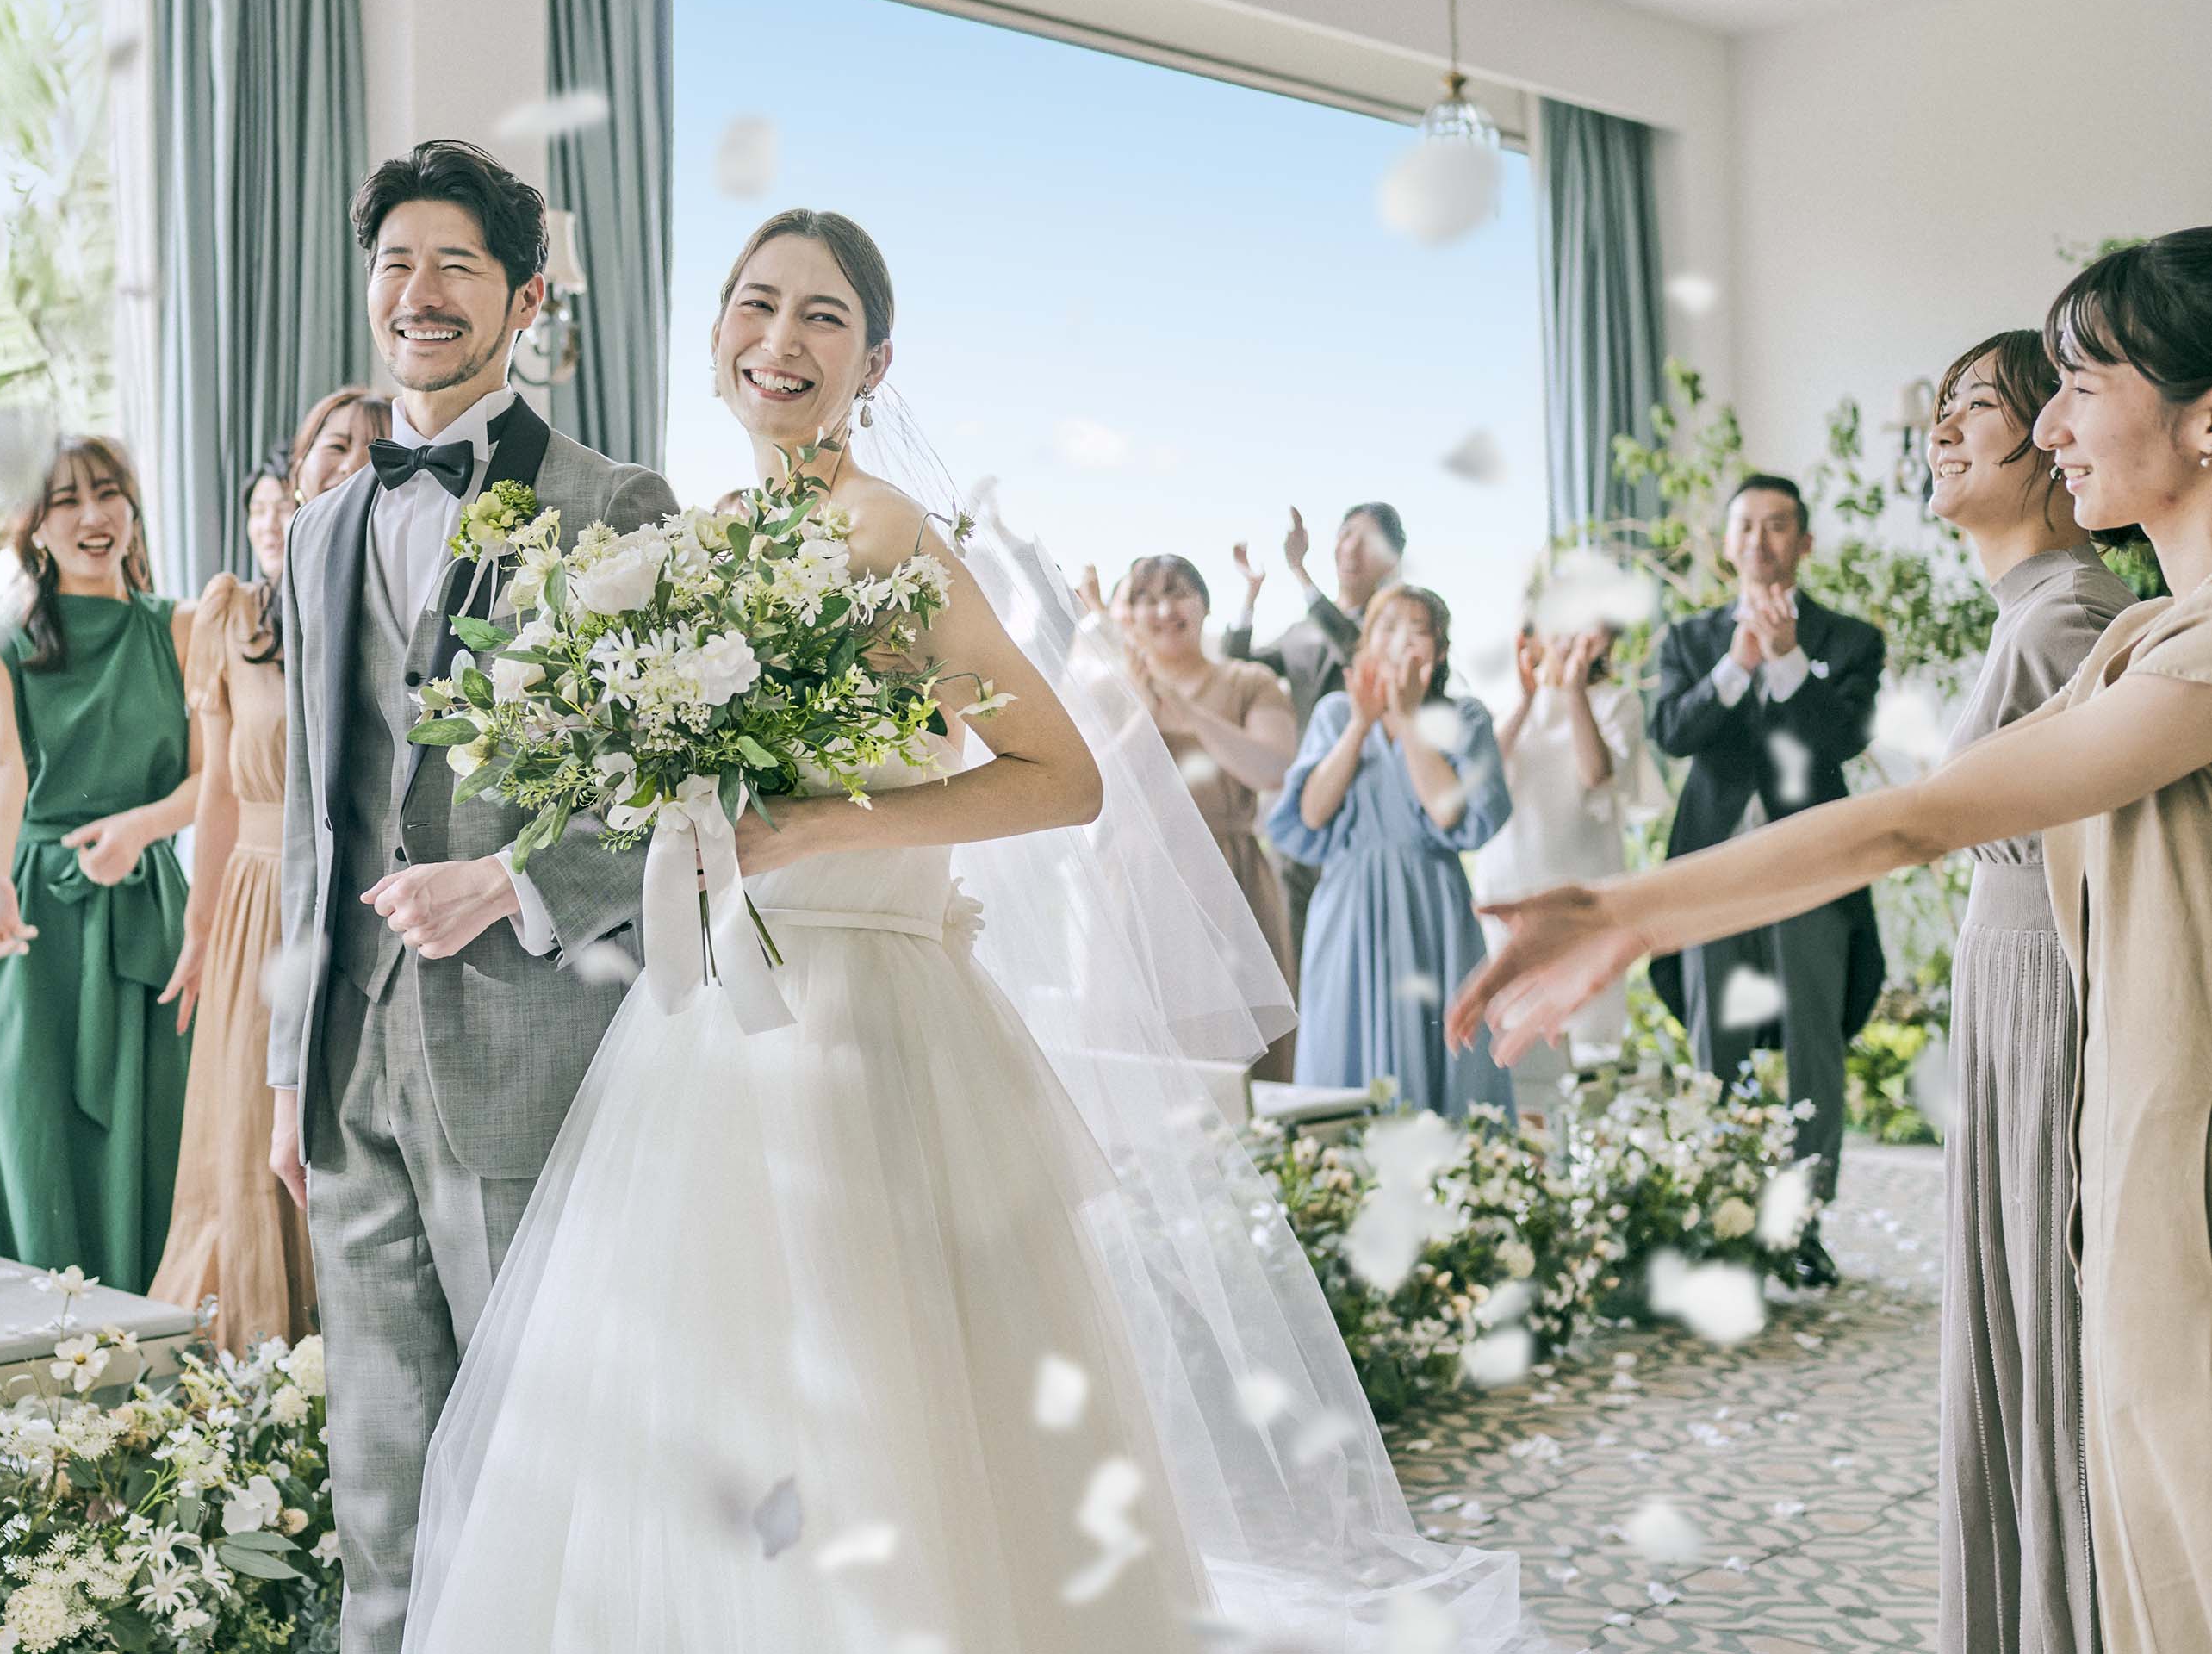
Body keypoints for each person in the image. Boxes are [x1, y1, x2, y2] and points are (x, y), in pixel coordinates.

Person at [404, 209, 1529, 1652]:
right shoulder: (697, 540)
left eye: (822, 316)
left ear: (873, 363)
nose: (779, 339)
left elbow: (1060, 775)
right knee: (709, 1400)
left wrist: (818, 826)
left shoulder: (886, 532)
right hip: (711, 1026)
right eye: (755, 304)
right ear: (714, 336)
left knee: (883, 1397)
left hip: (870, 1017)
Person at [1454, 230, 2212, 1654]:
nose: (2051, 427)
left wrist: (1621, 910)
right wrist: (1625, 907)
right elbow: (1904, 814)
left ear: (2202, 418)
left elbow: (1910, 819)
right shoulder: (2139, 639)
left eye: (2077, 384)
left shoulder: (2171, 646)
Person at [259, 141, 674, 1654]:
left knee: (534, 1458)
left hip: (524, 1042)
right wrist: (284, 1075)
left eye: (454, 265)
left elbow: (679, 789)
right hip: (348, 1059)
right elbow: (309, 823)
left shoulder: (612, 502)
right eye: (395, 264)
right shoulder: (316, 527)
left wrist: (513, 881)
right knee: (376, 1472)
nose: (418, 293)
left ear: (524, 298)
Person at [1923, 330, 2134, 1654]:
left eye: (1976, 405)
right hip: (2009, 983)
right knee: (2012, 1323)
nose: (1942, 428)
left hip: (2042, 991)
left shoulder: (2065, 613)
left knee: (2040, 1330)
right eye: (1940, 407)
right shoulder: (2032, 609)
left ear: (2052, 445)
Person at [151, 390, 387, 1350]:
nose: (351, 461)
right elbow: (215, 787)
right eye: (334, 445)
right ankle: (255, 1359)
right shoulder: (231, 613)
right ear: (299, 470)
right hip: (256, 898)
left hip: (361, 895)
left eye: (376, 448)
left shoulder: (393, 606)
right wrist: (200, 927)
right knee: (250, 1133)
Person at [0, 435, 198, 1290]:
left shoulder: (182, 627)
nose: (92, 516)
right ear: (34, 524)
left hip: (149, 908)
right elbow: (0, 766)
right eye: (65, 500)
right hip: (33, 915)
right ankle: (41, 1353)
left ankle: (157, 1349)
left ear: (133, 508)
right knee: (32, 1136)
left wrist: (141, 827)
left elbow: (218, 778)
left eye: (108, 494)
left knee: (159, 1133)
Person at [1647, 473, 1885, 1276]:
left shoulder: (1849, 638)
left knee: (1815, 1043)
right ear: (1726, 543)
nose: (1760, 539)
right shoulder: (1688, 639)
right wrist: (1735, 666)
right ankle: (1726, 1217)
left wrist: (1785, 660)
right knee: (1718, 1044)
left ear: (1804, 542)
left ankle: (1801, 1224)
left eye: (1777, 524)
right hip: (1711, 876)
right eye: (1745, 525)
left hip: (1811, 873)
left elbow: (1842, 738)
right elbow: (1671, 731)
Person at [1267, 583, 1515, 1118]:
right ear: (1365, 643)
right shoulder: (1336, 714)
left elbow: (1451, 813)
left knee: (1444, 1057)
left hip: (1433, 909)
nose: (1400, 640)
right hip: (1349, 909)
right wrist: (1362, 724)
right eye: (1386, 627)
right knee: (1342, 1055)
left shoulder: (1465, 718)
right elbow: (1310, 813)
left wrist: (1406, 718)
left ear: (1439, 652)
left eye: (1417, 630)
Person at [1105, 552, 1300, 1078]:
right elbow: (1096, 787)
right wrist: (1147, 714)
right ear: (1128, 615)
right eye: (1146, 598)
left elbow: (1273, 769)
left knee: (1243, 1063)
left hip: (1231, 882)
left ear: (1204, 605)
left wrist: (1189, 711)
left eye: (1177, 593)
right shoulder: (1107, 688)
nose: (1163, 610)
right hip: (1139, 882)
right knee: (1141, 1058)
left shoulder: (1249, 681)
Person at [1474, 612, 1662, 1108]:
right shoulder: (1507, 699)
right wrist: (1527, 700)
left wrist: (1574, 692)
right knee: (1517, 1036)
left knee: (1586, 1035)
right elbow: (1483, 775)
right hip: (1511, 884)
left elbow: (1596, 774)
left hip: (1582, 887)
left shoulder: (1617, 703)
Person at [1225, 500, 1407, 958]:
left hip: (1366, 804)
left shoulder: (1397, 626)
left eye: (1367, 540)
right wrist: (1251, 593)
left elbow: (1354, 647)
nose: (1351, 548)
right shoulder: (1303, 631)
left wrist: (1300, 573)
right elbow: (1236, 668)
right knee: (1295, 940)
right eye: (1346, 535)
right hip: (1302, 798)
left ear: (1392, 559)